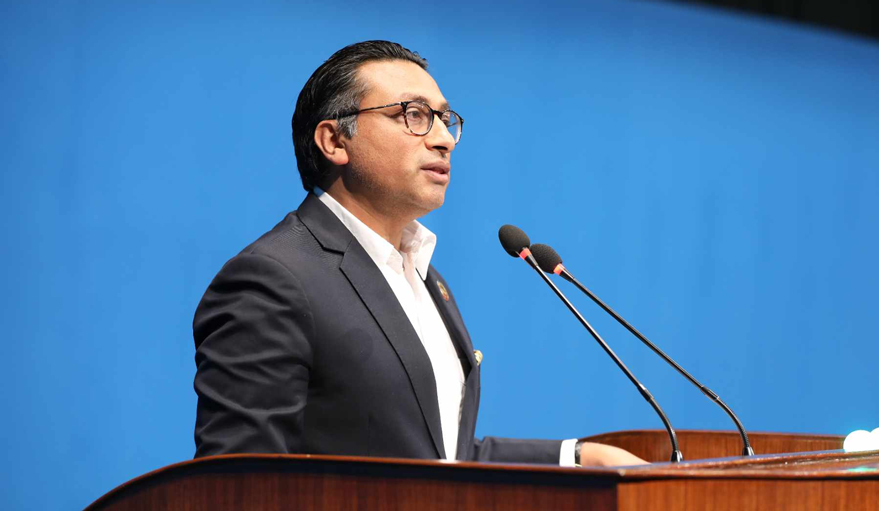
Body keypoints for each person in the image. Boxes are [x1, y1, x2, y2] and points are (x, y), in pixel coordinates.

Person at [192, 40, 644, 467]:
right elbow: (240, 487)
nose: (444, 138)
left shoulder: (425, 276)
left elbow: (441, 456)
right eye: (413, 115)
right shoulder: (274, 280)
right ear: (334, 141)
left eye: (445, 119)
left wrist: (579, 457)